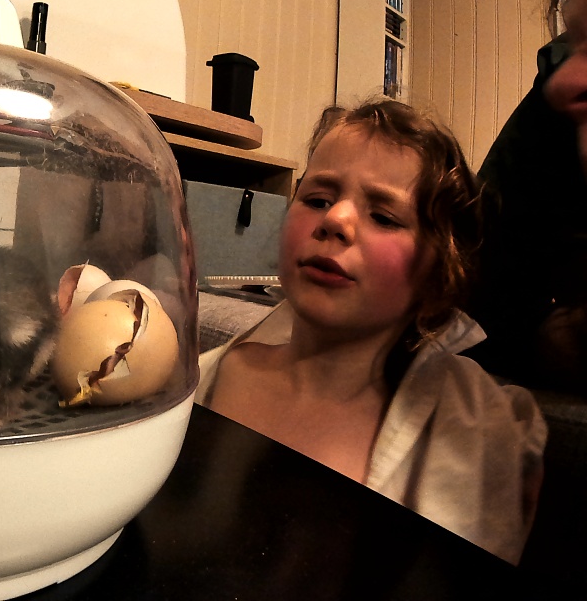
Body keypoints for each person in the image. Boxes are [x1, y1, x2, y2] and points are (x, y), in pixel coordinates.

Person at [195, 99, 547, 565]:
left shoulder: (473, 428)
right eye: (317, 200)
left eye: (383, 217)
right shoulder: (207, 375)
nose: (334, 220)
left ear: (438, 277)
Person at [465, 0, 587, 393]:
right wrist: (537, 335)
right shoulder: (547, 112)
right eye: (579, 39)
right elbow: (474, 254)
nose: (565, 83)